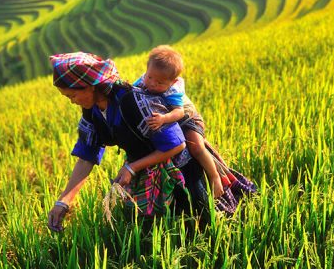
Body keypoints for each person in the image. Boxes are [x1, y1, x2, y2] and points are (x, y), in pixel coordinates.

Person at [47, 52, 255, 232]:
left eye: (72, 95)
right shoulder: (91, 113)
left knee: (205, 220)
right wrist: (63, 201)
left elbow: (176, 144)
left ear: (91, 87)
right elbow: (86, 157)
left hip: (181, 167)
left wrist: (132, 167)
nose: (72, 101)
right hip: (146, 167)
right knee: (158, 229)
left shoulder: (135, 102)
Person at [133, 45, 224, 198]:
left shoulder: (173, 90)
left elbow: (179, 112)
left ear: (172, 82)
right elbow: (133, 91)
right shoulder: (145, 78)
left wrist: (163, 119)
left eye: (160, 82)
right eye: (150, 78)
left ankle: (214, 177)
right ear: (147, 70)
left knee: (196, 147)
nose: (153, 84)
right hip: (172, 123)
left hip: (187, 119)